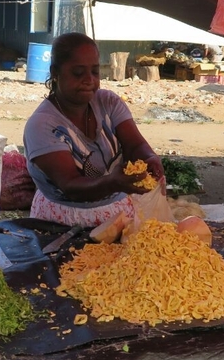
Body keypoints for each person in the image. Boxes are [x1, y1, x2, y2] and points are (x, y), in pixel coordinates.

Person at [23, 32, 165, 228]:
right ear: (55, 72)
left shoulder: (109, 102)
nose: (89, 80)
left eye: (95, 71)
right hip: (63, 222)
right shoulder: (42, 125)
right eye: (78, 73)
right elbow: (70, 185)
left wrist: (149, 157)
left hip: (118, 213)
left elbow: (135, 145)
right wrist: (112, 183)